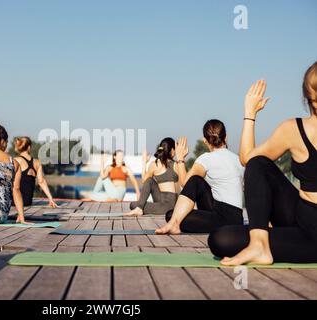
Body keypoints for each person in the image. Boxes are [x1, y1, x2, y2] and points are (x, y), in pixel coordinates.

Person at [209, 62, 317, 265]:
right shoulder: (293, 129)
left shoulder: (293, 128)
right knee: (220, 238)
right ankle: (260, 244)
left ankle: (261, 244)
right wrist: (250, 114)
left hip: (310, 237)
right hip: (299, 217)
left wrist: (250, 113)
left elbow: (245, 158)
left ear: (307, 98)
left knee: (221, 240)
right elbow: (250, 162)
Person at [155, 119, 245, 234]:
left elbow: (185, 183)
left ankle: (174, 223)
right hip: (237, 218)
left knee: (172, 214)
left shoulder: (206, 158)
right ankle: (174, 222)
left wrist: (181, 159)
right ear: (225, 137)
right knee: (196, 183)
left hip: (223, 220)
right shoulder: (238, 160)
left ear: (204, 140)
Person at [124, 137, 188, 216]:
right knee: (136, 203)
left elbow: (144, 180)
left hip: (168, 206)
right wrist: (182, 159)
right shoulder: (177, 164)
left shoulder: (155, 164)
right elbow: (185, 182)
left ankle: (139, 208)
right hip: (168, 201)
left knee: (133, 205)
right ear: (172, 151)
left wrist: (144, 162)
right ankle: (139, 208)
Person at [14, 136, 57, 208]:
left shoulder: (16, 160)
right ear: (29, 147)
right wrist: (50, 198)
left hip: (15, 201)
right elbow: (41, 181)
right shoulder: (37, 162)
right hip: (27, 201)